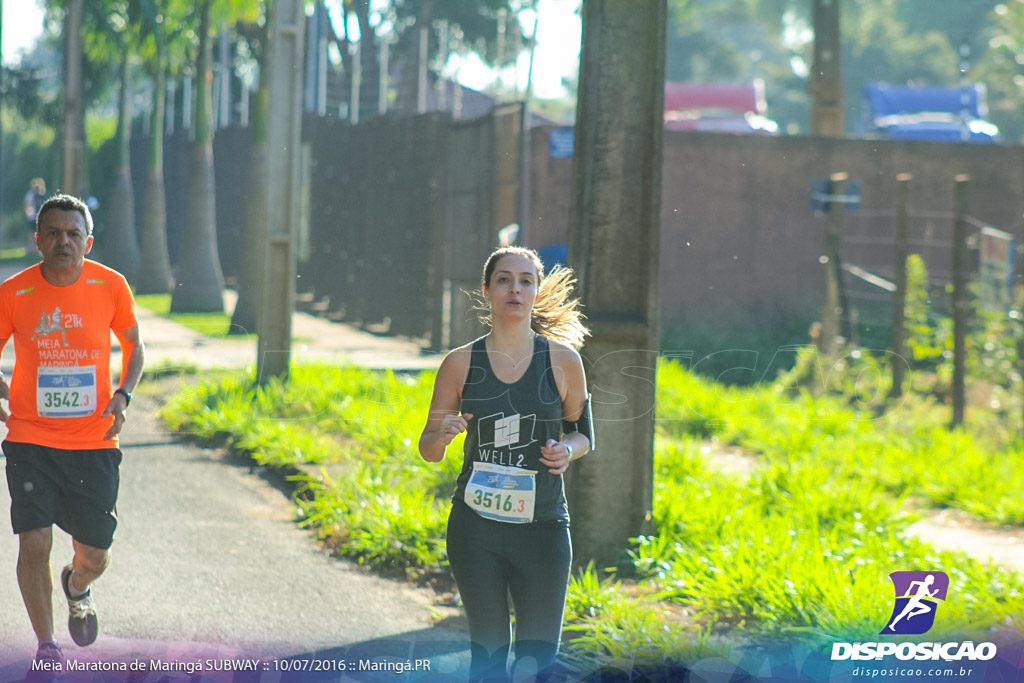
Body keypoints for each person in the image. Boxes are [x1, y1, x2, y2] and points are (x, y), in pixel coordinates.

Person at [419, 246, 594, 681]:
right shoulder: (460, 363)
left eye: (525, 280)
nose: (514, 288)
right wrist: (440, 436)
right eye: (503, 279)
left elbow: (584, 434)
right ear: (486, 290)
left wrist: (566, 450)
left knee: (537, 664)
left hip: (544, 532)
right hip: (476, 530)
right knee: (490, 661)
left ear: (535, 291)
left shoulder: (564, 362)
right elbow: (428, 447)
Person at [0, 193, 145, 666]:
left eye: (73, 234)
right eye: (54, 233)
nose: (64, 241)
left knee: (95, 555)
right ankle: (47, 648)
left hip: (93, 441)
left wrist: (124, 394)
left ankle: (76, 586)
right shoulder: (14, 292)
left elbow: (134, 345)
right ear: (38, 240)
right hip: (29, 440)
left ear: (89, 241)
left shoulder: (111, 285)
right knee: (34, 539)